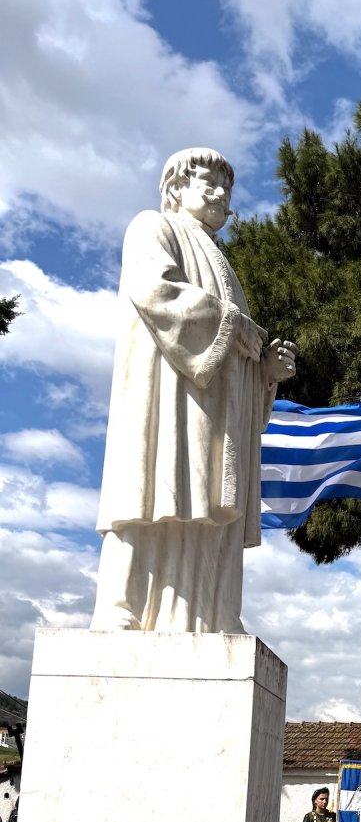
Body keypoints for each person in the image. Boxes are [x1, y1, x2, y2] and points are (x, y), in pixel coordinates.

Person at [91, 147, 296, 633]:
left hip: (216, 413)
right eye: (208, 180)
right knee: (150, 496)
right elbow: (154, 289)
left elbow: (237, 346)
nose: (221, 192)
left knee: (204, 509)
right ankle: (123, 608)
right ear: (176, 188)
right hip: (166, 400)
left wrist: (265, 373)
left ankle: (208, 614)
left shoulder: (223, 264)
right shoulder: (152, 227)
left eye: (227, 186)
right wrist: (234, 327)